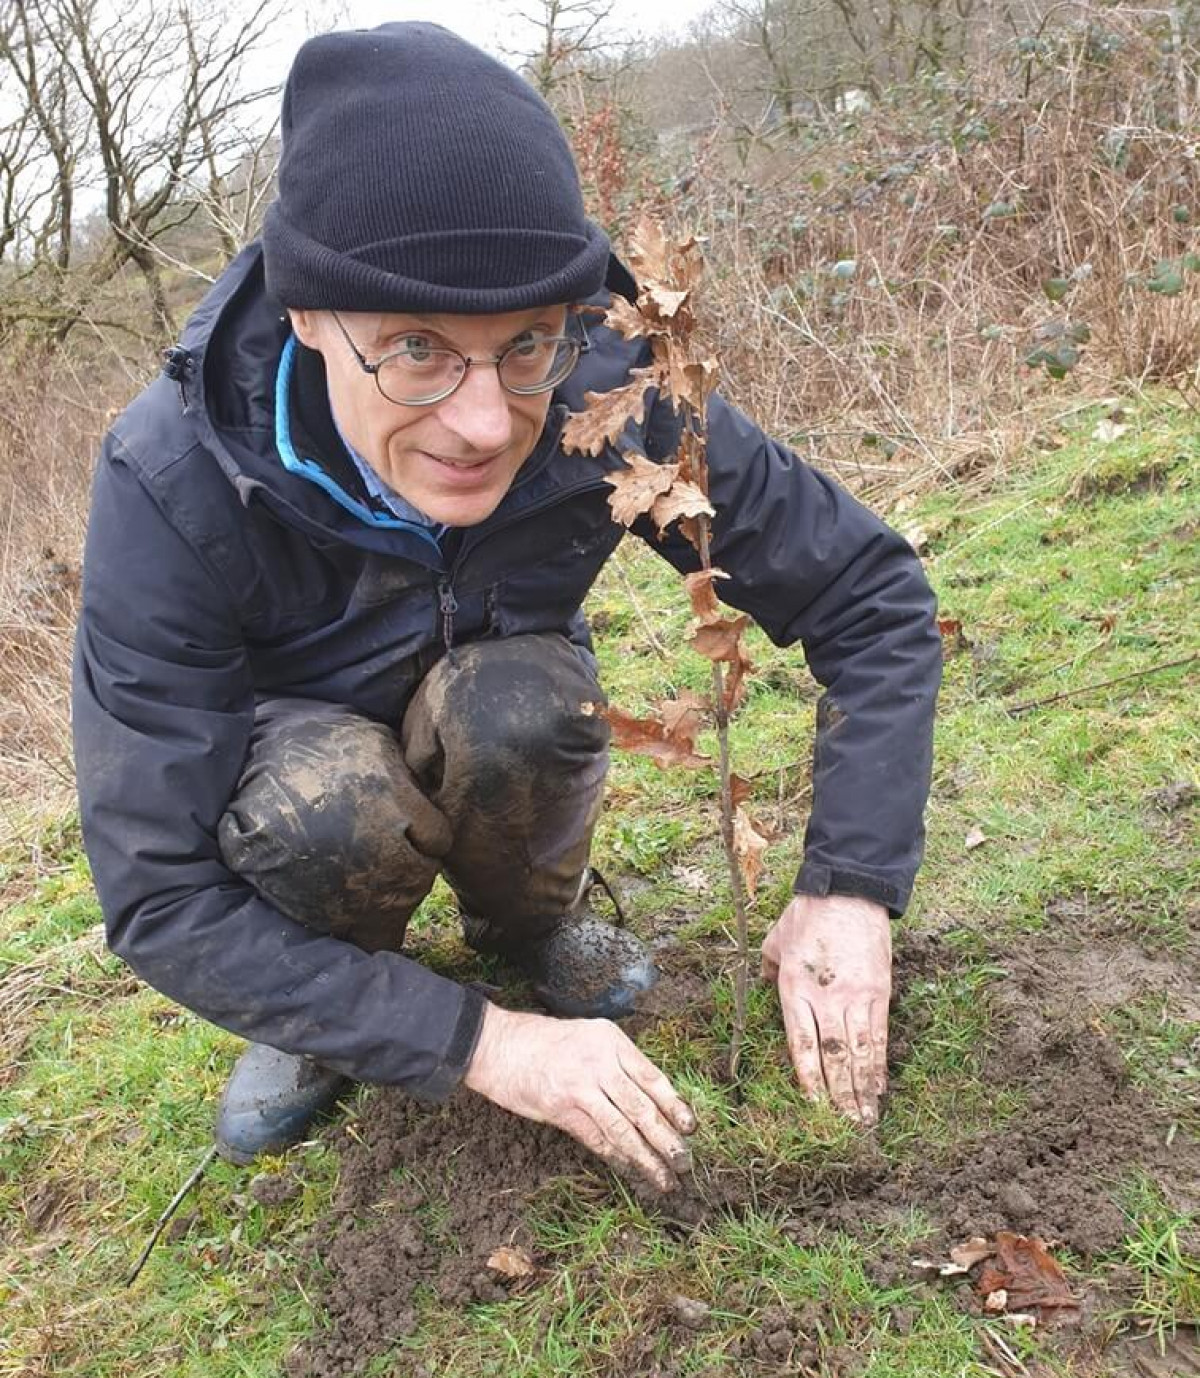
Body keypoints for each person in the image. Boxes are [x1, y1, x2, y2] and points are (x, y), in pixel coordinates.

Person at [72, 22, 941, 1193]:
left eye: (525, 343)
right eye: (418, 351)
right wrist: (478, 1043)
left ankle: (529, 927)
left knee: (524, 709)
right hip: (299, 774)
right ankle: (326, 995)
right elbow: (160, 894)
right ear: (308, 317)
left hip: (499, 699)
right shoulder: (172, 480)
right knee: (323, 805)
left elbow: (869, 593)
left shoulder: (608, 390)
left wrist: (850, 884)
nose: (485, 421)